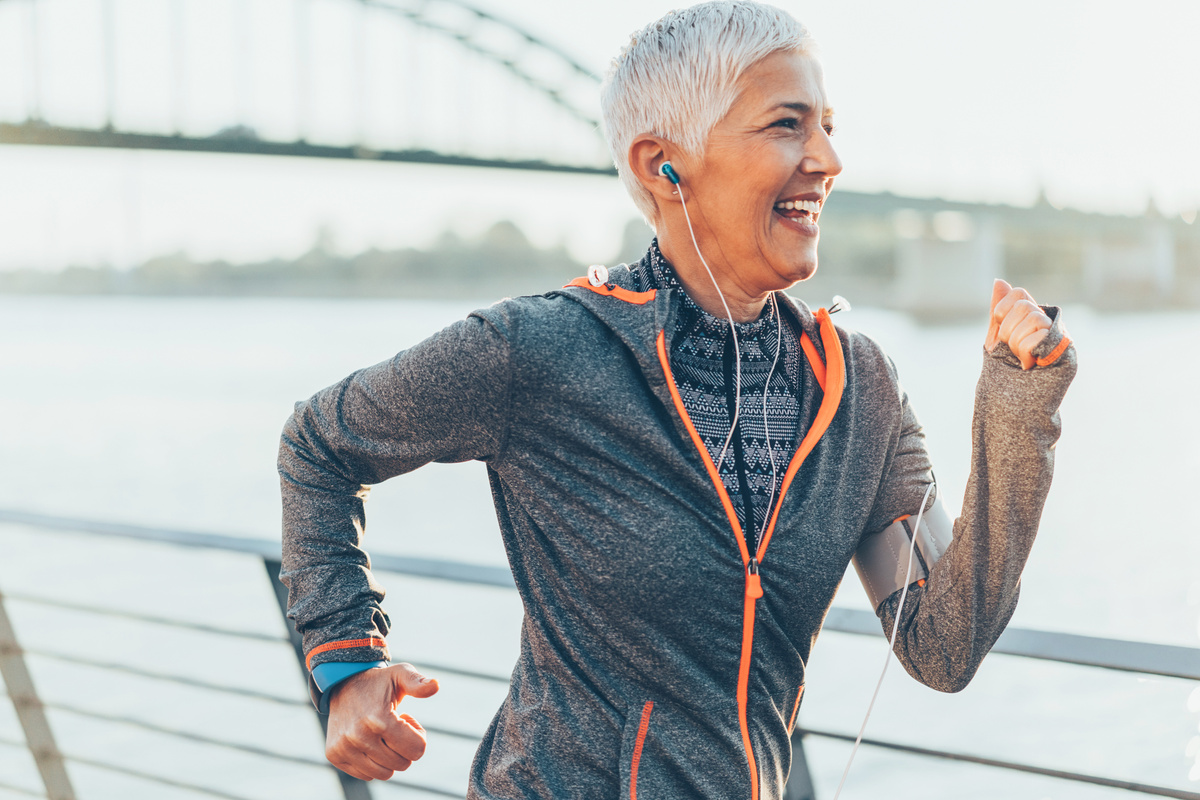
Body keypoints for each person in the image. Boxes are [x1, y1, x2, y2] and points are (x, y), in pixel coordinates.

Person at [277, 2, 1077, 798]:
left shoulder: (859, 387)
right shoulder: (545, 347)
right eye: (788, 125)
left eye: (829, 126)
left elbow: (943, 646)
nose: (829, 159)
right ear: (664, 164)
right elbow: (317, 445)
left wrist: (1019, 410)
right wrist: (346, 660)